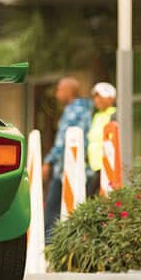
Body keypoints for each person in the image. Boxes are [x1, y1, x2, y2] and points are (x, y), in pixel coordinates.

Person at [42, 77, 93, 243]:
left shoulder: (74, 111)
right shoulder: (82, 110)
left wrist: (48, 161)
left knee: (52, 211)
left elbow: (64, 141)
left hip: (66, 169)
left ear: (69, 91)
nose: (57, 93)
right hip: (74, 168)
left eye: (59, 89)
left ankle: (49, 246)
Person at [86, 82, 117, 198]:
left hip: (106, 165)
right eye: (95, 97)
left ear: (110, 98)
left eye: (100, 96)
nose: (96, 100)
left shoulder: (114, 114)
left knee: (94, 197)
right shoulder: (97, 115)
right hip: (94, 166)